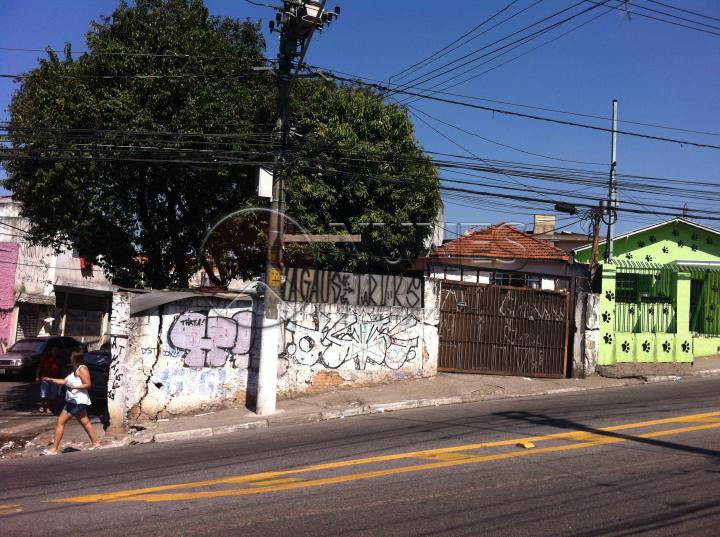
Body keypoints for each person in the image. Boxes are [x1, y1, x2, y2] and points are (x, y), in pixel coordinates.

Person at [42, 351, 100, 454]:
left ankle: (54, 448)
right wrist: (50, 379)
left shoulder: (82, 369)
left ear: (75, 358)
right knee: (85, 422)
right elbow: (64, 381)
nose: (70, 358)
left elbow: (88, 384)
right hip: (74, 400)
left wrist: (74, 387)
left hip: (77, 401)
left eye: (71, 357)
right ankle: (95, 443)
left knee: (60, 422)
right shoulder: (75, 369)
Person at [35, 346, 63, 413]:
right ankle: (42, 406)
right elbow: (39, 367)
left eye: (56, 350)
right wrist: (37, 377)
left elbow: (62, 368)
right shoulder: (46, 357)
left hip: (55, 379)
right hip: (45, 377)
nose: (55, 352)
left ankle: (48, 407)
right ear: (51, 351)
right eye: (54, 350)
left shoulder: (59, 358)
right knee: (43, 393)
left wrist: (62, 377)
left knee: (52, 394)